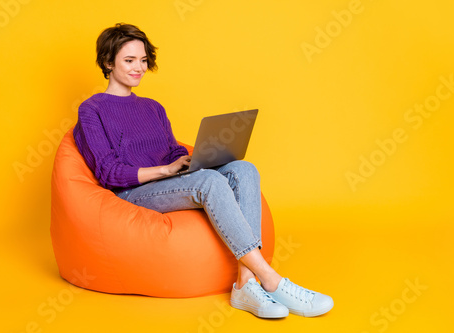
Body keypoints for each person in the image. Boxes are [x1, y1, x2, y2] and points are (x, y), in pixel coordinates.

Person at [73, 23, 333, 319]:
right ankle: (272, 280)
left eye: (143, 60)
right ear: (108, 62)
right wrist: (165, 170)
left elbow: (171, 150)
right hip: (132, 192)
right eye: (129, 60)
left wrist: (190, 160)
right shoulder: (92, 109)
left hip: (168, 180)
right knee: (209, 182)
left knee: (243, 168)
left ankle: (245, 284)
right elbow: (108, 172)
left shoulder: (152, 107)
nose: (139, 68)